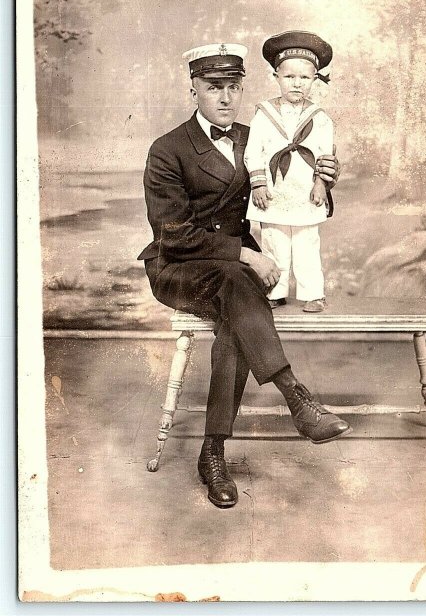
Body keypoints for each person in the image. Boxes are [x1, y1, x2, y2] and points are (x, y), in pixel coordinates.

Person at [138, 42, 352, 510]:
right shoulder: (168, 149)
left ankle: (212, 453)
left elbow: (295, 188)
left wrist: (323, 178)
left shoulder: (258, 136)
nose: (225, 98)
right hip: (179, 268)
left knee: (236, 316)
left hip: (233, 272)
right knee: (239, 284)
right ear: (193, 89)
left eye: (234, 87)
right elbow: (173, 234)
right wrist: (248, 255)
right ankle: (296, 397)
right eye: (214, 88)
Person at [244, 31, 334, 313]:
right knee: (274, 243)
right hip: (273, 192)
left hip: (305, 192)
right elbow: (253, 151)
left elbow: (325, 155)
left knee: (307, 243)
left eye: (305, 78)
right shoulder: (264, 114)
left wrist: (321, 184)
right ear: (276, 77)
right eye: (289, 77)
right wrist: (258, 185)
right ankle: (275, 291)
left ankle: (313, 294)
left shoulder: (319, 118)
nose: (297, 84)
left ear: (315, 79)